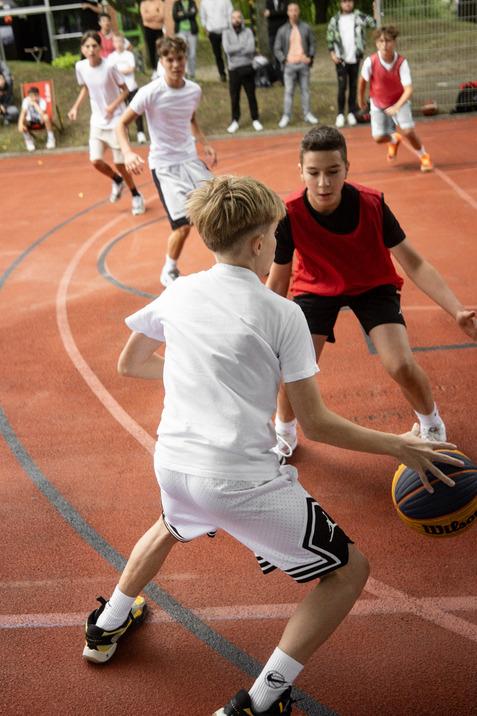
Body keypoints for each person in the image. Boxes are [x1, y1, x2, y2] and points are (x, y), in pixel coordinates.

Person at [80, 173, 461, 716]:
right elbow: (317, 423)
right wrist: (401, 446)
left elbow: (130, 363)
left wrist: (202, 375)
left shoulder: (180, 289)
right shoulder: (283, 314)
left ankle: (106, 625)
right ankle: (262, 699)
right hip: (239, 480)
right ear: (261, 243)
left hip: (174, 463)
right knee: (348, 572)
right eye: (276, 237)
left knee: (173, 522)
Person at [266, 125, 477, 459]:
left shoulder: (372, 203)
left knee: (400, 364)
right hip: (316, 287)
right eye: (314, 173)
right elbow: (278, 279)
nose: (323, 183)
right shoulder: (289, 214)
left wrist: (456, 310)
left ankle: (430, 421)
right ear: (301, 172)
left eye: (333, 172)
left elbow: (415, 263)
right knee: (294, 368)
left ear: (347, 168)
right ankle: (284, 431)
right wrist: (261, 327)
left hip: (373, 284)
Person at [116, 36, 217, 287]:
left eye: (179, 59)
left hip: (190, 160)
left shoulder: (194, 90)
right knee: (183, 226)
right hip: (164, 166)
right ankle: (169, 269)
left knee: (220, 207)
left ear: (186, 59)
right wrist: (128, 153)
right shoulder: (150, 92)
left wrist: (205, 145)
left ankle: (228, 265)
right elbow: (121, 124)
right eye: (169, 60)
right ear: (161, 61)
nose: (175, 64)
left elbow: (190, 118)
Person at [68, 31, 145, 216]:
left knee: (120, 163)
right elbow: (85, 87)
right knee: (95, 160)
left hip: (116, 120)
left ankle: (136, 195)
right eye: (87, 46)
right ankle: (117, 180)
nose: (91, 50)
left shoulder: (109, 67)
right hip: (97, 121)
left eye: (94, 46)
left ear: (100, 48)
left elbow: (126, 90)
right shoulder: (80, 67)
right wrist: (75, 107)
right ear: (82, 49)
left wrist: (112, 106)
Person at [358, 25, 433, 173]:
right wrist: (360, 99)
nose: (384, 45)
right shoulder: (370, 62)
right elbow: (362, 81)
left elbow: (409, 89)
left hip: (399, 101)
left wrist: (398, 106)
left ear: (394, 42)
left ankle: (424, 156)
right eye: (381, 41)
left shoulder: (401, 63)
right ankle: (393, 140)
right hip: (378, 102)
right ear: (376, 43)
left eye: (388, 41)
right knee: (378, 138)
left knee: (409, 131)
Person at [327, 0, 376, 128]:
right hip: (341, 59)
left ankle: (351, 113)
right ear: (340, 4)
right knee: (342, 86)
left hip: (355, 57)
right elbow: (330, 38)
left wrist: (375, 8)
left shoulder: (358, 16)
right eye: (344, 1)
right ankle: (340, 114)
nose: (347, 4)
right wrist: (332, 54)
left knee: (354, 86)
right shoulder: (335, 20)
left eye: (349, 1)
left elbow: (374, 23)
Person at [274, 3, 318, 129]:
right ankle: (286, 116)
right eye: (291, 10)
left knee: (305, 90)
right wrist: (284, 60)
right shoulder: (282, 30)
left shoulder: (306, 27)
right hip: (289, 66)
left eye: (295, 10)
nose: (293, 13)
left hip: (303, 64)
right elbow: (277, 48)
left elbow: (312, 43)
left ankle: (307, 114)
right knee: (288, 92)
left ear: (298, 12)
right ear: (287, 12)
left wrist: (309, 57)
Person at [222, 9, 263, 134]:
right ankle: (235, 120)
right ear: (231, 19)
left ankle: (255, 119)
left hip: (247, 67)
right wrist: (241, 47)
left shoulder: (248, 31)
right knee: (234, 96)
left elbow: (250, 49)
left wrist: (237, 50)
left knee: (251, 95)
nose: (236, 20)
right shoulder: (226, 33)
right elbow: (227, 49)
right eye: (234, 17)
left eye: (239, 17)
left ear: (242, 19)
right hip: (233, 69)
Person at [108, 33, 147, 144]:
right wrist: (122, 70)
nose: (118, 44)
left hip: (131, 87)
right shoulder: (111, 57)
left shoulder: (129, 55)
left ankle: (141, 133)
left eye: (120, 41)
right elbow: (110, 73)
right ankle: (125, 134)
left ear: (123, 42)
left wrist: (118, 71)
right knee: (122, 113)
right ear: (113, 43)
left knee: (136, 111)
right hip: (119, 91)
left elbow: (131, 69)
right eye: (116, 41)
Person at [199, 0, 233, 82]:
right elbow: (202, 16)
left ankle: (232, 73)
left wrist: (230, 27)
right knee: (217, 54)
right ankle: (222, 74)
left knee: (228, 53)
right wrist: (205, 27)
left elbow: (230, 12)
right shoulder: (204, 2)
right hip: (213, 31)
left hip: (225, 29)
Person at [17, 86, 55, 152]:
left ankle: (51, 138)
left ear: (38, 95)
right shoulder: (26, 100)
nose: (32, 98)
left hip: (40, 120)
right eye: (30, 96)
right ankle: (28, 140)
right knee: (22, 120)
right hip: (30, 120)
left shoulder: (42, 101)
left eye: (34, 96)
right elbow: (23, 112)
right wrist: (20, 124)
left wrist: (35, 104)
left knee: (46, 117)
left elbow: (42, 113)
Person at [172, 0, 199, 80]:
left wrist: (182, 14)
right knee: (183, 53)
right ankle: (185, 73)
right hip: (180, 32)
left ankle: (192, 75)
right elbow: (175, 17)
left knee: (192, 54)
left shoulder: (192, 3)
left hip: (192, 31)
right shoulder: (176, 4)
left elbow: (194, 13)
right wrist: (188, 13)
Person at [264, 0, 289, 82]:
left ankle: (288, 74)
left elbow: (285, 12)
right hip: (272, 32)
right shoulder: (268, 2)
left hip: (284, 31)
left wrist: (271, 13)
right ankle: (280, 77)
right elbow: (266, 14)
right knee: (276, 54)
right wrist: (277, 13)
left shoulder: (284, 1)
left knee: (285, 53)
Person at [140, 0, 165, 69]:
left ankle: (162, 68)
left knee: (161, 49)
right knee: (151, 50)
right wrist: (156, 13)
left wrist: (150, 15)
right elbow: (145, 17)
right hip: (148, 29)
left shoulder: (160, 2)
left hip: (159, 29)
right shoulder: (143, 4)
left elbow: (162, 16)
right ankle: (154, 69)